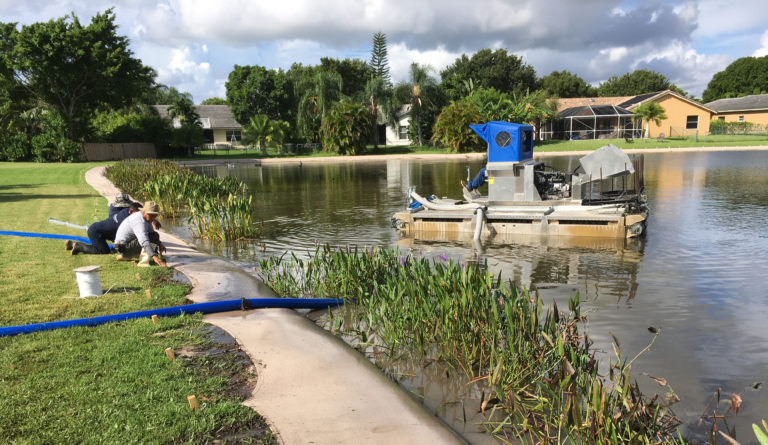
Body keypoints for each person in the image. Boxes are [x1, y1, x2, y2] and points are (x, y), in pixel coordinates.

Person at [113, 201, 167, 267]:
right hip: (122, 248)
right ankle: (143, 263)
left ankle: (125, 256)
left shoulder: (146, 218)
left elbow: (151, 233)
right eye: (151, 215)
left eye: (155, 216)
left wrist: (160, 244)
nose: (153, 218)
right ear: (144, 212)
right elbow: (144, 241)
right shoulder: (138, 221)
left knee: (154, 235)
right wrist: (156, 258)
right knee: (150, 238)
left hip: (126, 246)